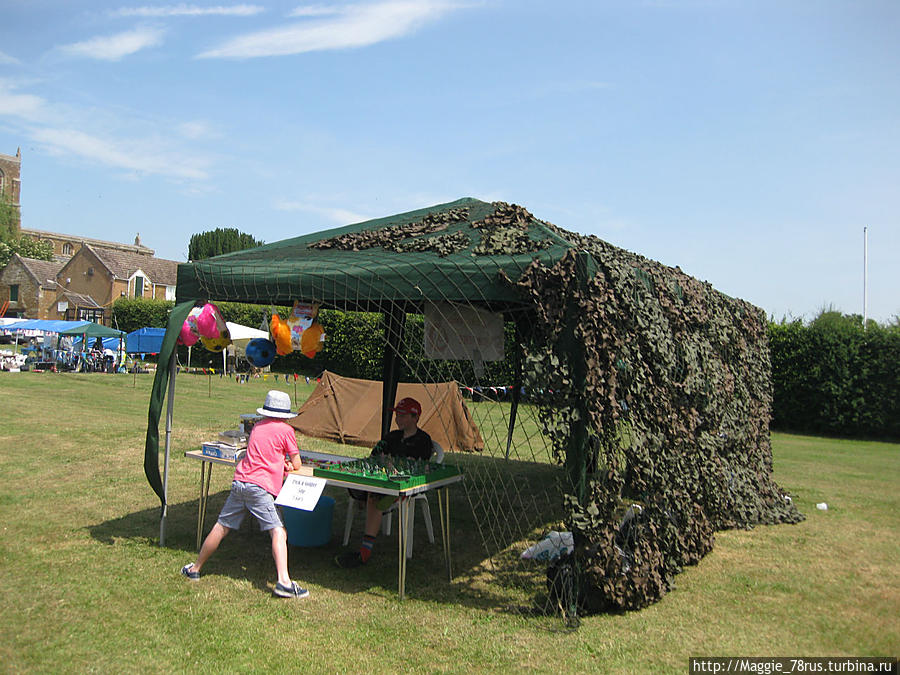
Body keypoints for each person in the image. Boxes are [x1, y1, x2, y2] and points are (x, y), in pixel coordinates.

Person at [181, 390, 309, 598]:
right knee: (278, 531)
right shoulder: (286, 431)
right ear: (285, 414)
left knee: (221, 526)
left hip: (240, 481)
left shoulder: (257, 427)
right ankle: (284, 581)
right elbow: (297, 464)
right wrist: (285, 464)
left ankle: (195, 568)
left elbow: (260, 453)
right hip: (261, 487)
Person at [335, 397, 432, 568]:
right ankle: (363, 499)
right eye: (397, 415)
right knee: (361, 487)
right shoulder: (392, 436)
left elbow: (419, 467)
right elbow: (374, 456)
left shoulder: (423, 440)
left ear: (415, 417)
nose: (397, 419)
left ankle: (365, 552)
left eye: (402, 416)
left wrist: (395, 465)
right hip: (381, 481)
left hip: (404, 486)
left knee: (375, 496)